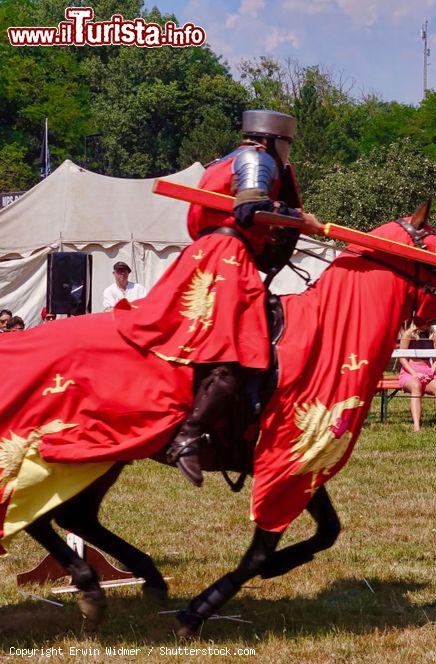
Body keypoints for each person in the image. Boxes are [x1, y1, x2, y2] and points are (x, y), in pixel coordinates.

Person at [112, 109, 319, 487]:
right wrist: (299, 219)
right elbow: (249, 207)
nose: (288, 153)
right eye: (287, 144)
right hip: (226, 258)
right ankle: (190, 433)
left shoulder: (223, 161)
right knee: (235, 350)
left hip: (209, 255)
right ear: (273, 140)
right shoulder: (256, 159)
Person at [398, 322, 436, 432]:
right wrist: (414, 374)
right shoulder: (408, 334)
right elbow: (402, 358)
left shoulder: (434, 335)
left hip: (427, 370)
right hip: (410, 370)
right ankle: (417, 426)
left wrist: (431, 373)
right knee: (416, 386)